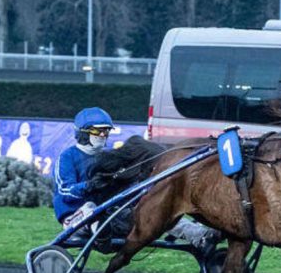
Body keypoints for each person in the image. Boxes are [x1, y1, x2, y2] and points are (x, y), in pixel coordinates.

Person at [53, 106, 221, 254]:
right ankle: (101, 238)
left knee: (154, 210)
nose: (104, 135)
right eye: (98, 131)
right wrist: (88, 186)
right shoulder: (67, 157)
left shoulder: (107, 157)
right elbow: (64, 192)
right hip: (75, 219)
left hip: (108, 216)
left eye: (106, 131)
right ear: (83, 132)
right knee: (91, 208)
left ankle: (200, 235)